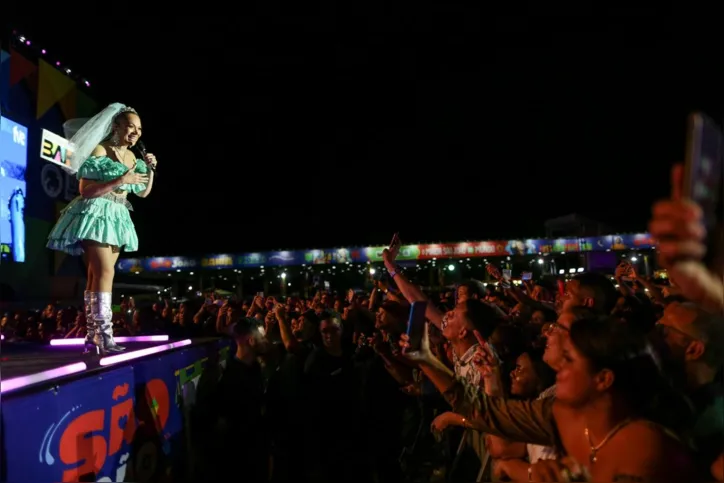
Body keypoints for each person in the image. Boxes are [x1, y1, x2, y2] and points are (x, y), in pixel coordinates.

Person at [46, 103, 157, 354]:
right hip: (95, 212)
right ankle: (104, 334)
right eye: (130, 126)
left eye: (139, 128)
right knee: (105, 272)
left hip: (118, 215)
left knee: (97, 275)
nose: (136, 132)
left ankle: (93, 335)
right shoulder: (100, 149)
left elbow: (143, 192)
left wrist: (149, 170)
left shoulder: (133, 158)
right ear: (116, 126)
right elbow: (85, 190)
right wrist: (121, 179)